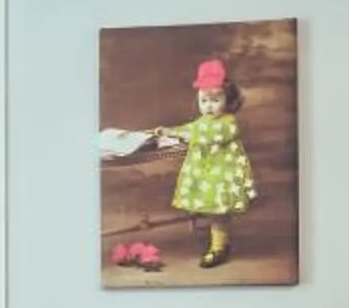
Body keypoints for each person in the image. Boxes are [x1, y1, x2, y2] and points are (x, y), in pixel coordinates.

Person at [96, 56, 256, 268]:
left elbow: (211, 136)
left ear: (228, 100)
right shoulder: (204, 121)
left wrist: (190, 136)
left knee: (218, 212)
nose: (209, 106)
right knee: (211, 210)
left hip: (220, 175)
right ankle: (217, 241)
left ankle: (219, 247)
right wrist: (171, 131)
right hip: (206, 173)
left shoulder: (227, 123)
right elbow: (193, 128)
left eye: (215, 100)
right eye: (204, 101)